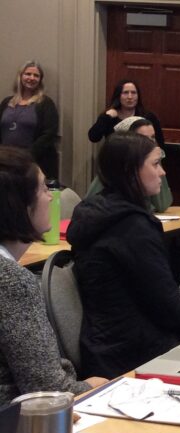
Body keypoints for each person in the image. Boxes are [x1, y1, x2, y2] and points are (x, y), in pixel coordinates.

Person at [68, 133, 180, 378]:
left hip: (108, 343)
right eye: (156, 164)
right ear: (131, 170)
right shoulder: (132, 228)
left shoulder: (101, 211)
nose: (163, 172)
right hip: (133, 351)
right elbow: (166, 305)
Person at [0, 146, 107, 404]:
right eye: (43, 189)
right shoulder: (11, 281)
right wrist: (89, 386)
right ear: (20, 205)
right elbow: (43, 388)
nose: (50, 197)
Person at [87, 116, 173, 212]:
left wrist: (155, 162)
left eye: (152, 137)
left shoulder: (150, 166)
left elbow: (163, 205)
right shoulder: (114, 171)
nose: (151, 143)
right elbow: (92, 205)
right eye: (143, 138)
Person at [0, 61, 59, 180]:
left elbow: (49, 134)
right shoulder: (6, 102)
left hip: (34, 162)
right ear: (20, 76)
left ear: (40, 80)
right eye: (28, 74)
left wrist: (26, 156)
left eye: (36, 75)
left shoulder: (45, 103)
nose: (31, 78)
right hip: (6, 163)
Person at [88, 79, 165, 149]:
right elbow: (93, 137)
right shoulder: (109, 116)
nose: (130, 97)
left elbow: (160, 144)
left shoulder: (148, 117)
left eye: (133, 93)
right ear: (118, 96)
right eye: (125, 93)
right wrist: (106, 117)